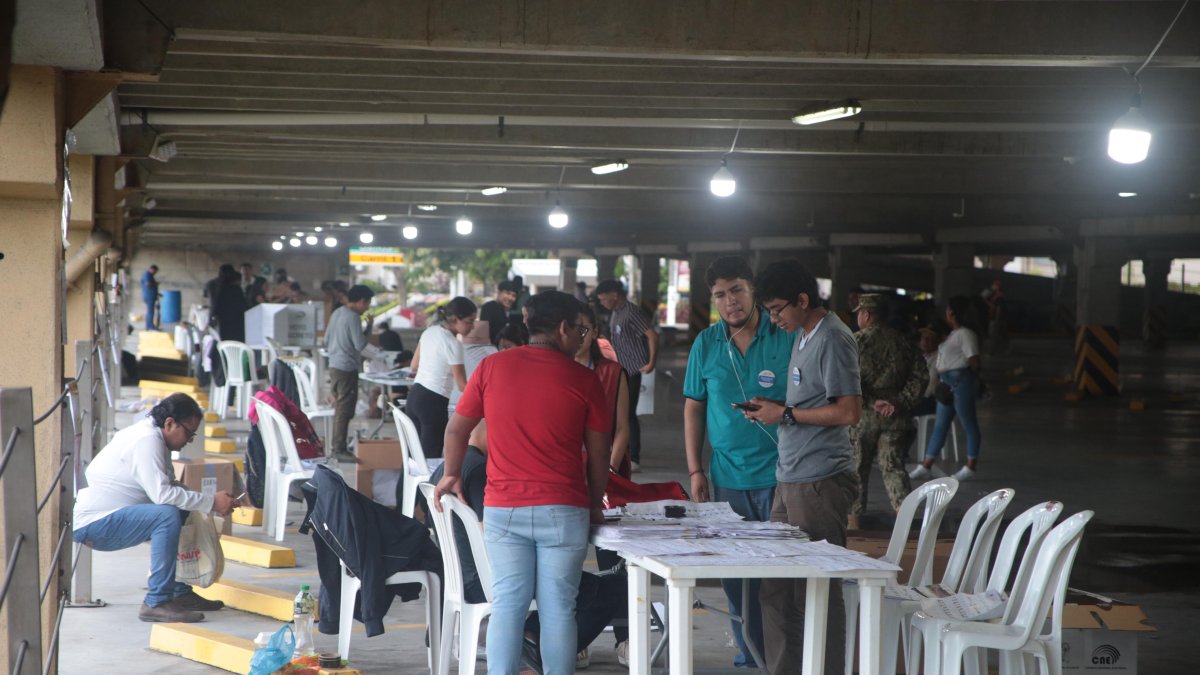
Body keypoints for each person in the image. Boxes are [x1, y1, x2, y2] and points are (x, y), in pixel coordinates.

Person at [434, 290, 611, 675]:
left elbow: (456, 430)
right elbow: (599, 455)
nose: (584, 339)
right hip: (564, 510)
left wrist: (451, 474)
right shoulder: (585, 380)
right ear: (563, 328)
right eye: (582, 331)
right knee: (559, 608)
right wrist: (595, 502)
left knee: (509, 604)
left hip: (503, 509)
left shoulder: (492, 368)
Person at [743, 259, 862, 675]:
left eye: (778, 310)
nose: (774, 319)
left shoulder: (833, 337)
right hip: (789, 476)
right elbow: (806, 401)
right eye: (770, 311)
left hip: (820, 481)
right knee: (775, 590)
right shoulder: (803, 335)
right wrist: (774, 410)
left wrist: (787, 415)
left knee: (817, 591)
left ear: (803, 299)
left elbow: (849, 411)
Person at [682, 256, 791, 668]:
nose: (730, 303)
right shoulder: (706, 343)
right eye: (720, 296)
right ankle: (750, 653)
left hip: (783, 475)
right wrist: (695, 469)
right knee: (735, 576)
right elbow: (694, 408)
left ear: (753, 291)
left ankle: (781, 659)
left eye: (737, 291)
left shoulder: (784, 336)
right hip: (726, 478)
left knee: (780, 578)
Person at [72, 394, 238, 623]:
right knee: (167, 514)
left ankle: (178, 593)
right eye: (189, 433)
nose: (190, 440)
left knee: (180, 508)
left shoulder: (154, 437)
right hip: (95, 524)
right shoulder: (146, 441)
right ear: (170, 423)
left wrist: (207, 500)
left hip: (112, 516)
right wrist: (211, 502)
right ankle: (156, 601)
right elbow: (163, 495)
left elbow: (171, 487)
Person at [848, 294, 927, 530]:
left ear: (867, 314)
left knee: (855, 470)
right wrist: (899, 402)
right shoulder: (903, 342)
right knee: (894, 469)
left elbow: (846, 380)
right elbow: (920, 377)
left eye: (859, 314)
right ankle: (906, 529)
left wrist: (872, 402)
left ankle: (853, 529)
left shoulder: (855, 342)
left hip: (862, 417)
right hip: (896, 417)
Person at [910, 296, 983, 481]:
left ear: (953, 312)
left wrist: (967, 378)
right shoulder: (953, 334)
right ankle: (927, 464)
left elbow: (974, 360)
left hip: (960, 381)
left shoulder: (965, 334)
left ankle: (970, 465)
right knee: (941, 425)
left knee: (968, 423)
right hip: (946, 383)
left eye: (948, 310)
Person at [595, 278, 658, 470]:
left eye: (603, 299)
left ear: (615, 295)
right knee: (619, 413)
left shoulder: (631, 312)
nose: (602, 303)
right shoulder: (616, 313)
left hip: (632, 370)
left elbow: (652, 335)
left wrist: (651, 362)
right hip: (620, 369)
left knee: (628, 414)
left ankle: (634, 457)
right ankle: (624, 451)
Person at [408, 297, 476, 458]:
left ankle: (405, 485)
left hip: (414, 397)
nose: (472, 327)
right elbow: (462, 385)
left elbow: (414, 365)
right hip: (433, 402)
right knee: (430, 460)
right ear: (454, 319)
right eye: (469, 321)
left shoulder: (429, 331)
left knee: (413, 459)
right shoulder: (453, 343)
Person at [324, 284, 378, 461]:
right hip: (346, 367)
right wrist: (377, 355)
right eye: (368, 303)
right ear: (362, 301)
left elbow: (326, 339)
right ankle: (338, 448)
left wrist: (367, 327)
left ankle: (338, 445)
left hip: (334, 366)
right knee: (344, 409)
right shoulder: (354, 317)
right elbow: (359, 344)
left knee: (341, 407)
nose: (367, 307)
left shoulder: (337, 313)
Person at [911, 325, 943, 417]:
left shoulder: (939, 357)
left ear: (936, 340)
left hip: (932, 400)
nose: (925, 341)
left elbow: (931, 386)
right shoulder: (922, 357)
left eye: (929, 338)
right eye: (923, 338)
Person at [214, 264, 247, 342]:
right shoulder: (237, 290)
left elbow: (217, 306)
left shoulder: (221, 289)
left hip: (225, 323)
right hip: (237, 324)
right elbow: (243, 307)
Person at [480, 280, 518, 344]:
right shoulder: (489, 307)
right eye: (508, 293)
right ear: (498, 292)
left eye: (514, 295)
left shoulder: (506, 311)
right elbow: (484, 333)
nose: (510, 298)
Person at [141, 264, 159, 330]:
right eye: (155, 271)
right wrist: (155, 283)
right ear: (152, 269)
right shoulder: (147, 274)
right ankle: (150, 326)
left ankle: (149, 326)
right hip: (149, 296)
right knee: (150, 312)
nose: (155, 273)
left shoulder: (149, 275)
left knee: (150, 311)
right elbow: (148, 284)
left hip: (151, 295)